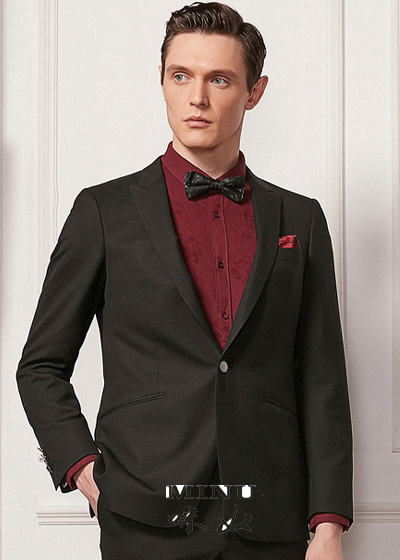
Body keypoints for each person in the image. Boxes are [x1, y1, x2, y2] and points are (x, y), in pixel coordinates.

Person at [16, 2, 353, 559]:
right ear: (162, 82)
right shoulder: (103, 212)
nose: (197, 97)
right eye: (181, 76)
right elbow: (41, 366)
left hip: (269, 521)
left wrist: (330, 523)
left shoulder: (301, 220)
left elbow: (323, 382)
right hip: (144, 519)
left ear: (254, 92)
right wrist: (85, 470)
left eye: (219, 79)